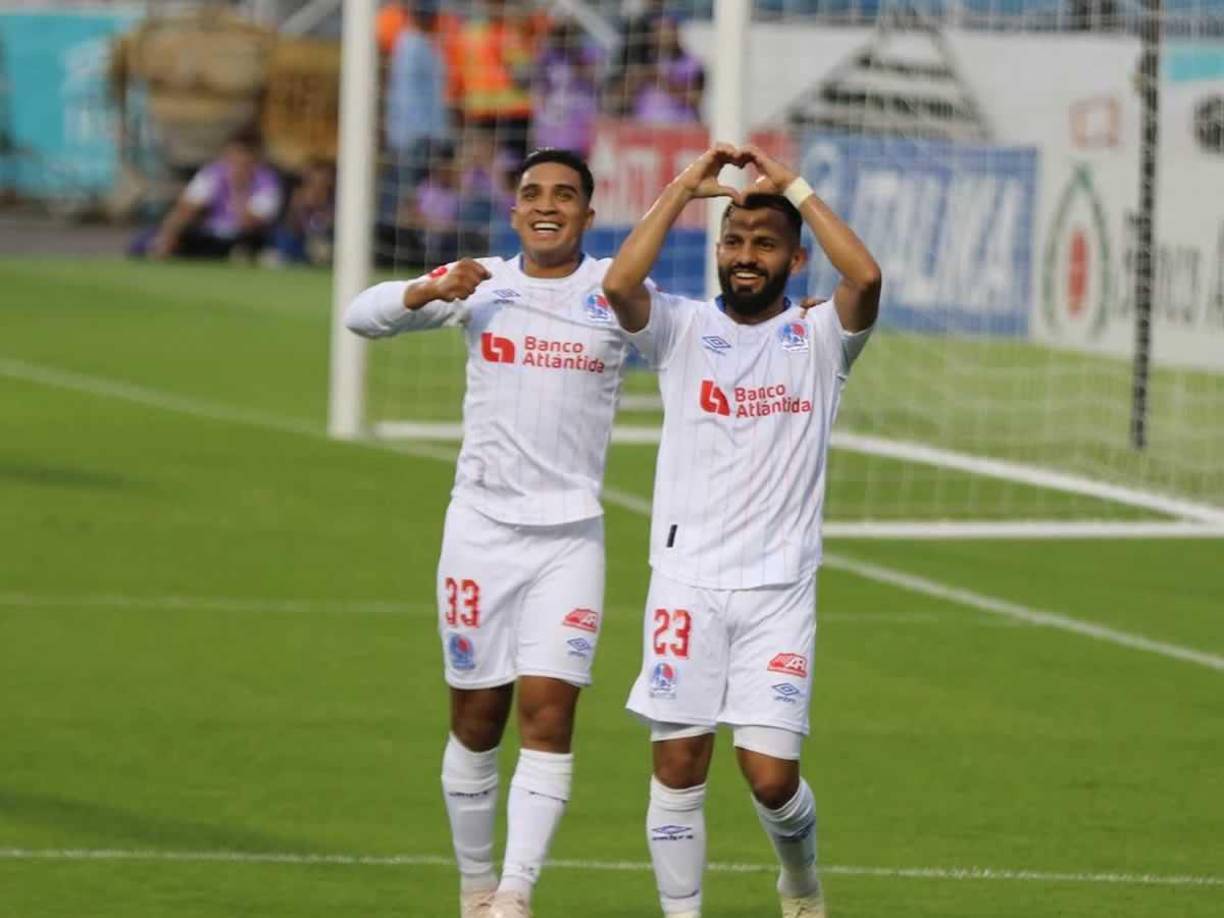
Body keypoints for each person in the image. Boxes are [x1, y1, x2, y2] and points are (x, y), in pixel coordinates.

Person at [345, 149, 636, 918]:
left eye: (564, 195)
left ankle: (515, 894)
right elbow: (360, 316)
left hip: (570, 540)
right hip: (480, 534)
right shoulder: (482, 283)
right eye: (533, 193)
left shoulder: (616, 293)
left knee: (551, 712)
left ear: (587, 214)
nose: (547, 205)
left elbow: (705, 333)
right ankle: (475, 887)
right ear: (514, 212)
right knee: (477, 721)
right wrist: (426, 288)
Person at [601, 144, 882, 918]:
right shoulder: (682, 328)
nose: (746, 256)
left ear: (796, 259)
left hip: (778, 591)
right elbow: (619, 285)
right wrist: (682, 189)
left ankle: (800, 881)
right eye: (733, 241)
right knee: (678, 765)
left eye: (764, 243)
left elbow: (866, 279)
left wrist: (796, 186)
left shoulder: (820, 338)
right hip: (685, 582)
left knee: (771, 778)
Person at [133, 130, 281, 260]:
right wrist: (168, 235)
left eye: (243, 160)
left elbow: (249, 223)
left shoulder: (267, 181)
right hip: (210, 235)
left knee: (259, 244)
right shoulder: (213, 173)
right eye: (233, 157)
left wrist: (239, 188)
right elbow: (186, 208)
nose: (236, 164)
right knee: (150, 238)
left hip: (245, 238)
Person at [270, 158, 335, 266]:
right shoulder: (298, 197)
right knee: (284, 235)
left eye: (322, 180)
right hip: (301, 242)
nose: (318, 184)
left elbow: (331, 225)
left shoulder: (335, 200)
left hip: (325, 240)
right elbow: (290, 225)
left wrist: (322, 207)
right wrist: (301, 207)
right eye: (313, 180)